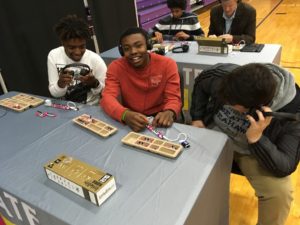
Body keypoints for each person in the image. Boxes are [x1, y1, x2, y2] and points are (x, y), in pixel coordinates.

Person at [190, 63, 300, 225]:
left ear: (258, 107)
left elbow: (286, 165)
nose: (226, 103)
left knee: (279, 193)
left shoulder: (293, 112)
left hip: (251, 151)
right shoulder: (229, 78)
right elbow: (202, 82)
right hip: (213, 134)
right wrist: (197, 117)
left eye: (233, 104)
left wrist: (256, 139)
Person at [100, 27, 182, 132]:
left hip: (159, 119)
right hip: (130, 117)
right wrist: (124, 114)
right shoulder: (115, 67)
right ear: (122, 51)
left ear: (148, 45)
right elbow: (107, 98)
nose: (133, 51)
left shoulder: (168, 64)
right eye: (127, 48)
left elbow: (173, 98)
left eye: (138, 46)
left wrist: (170, 111)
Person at [47, 14, 107, 105]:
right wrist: (60, 84)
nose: (78, 52)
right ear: (63, 43)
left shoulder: (95, 60)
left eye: (82, 47)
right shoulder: (54, 55)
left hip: (90, 109)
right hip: (64, 108)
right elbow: (54, 93)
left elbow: (107, 92)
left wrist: (94, 83)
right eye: (72, 47)